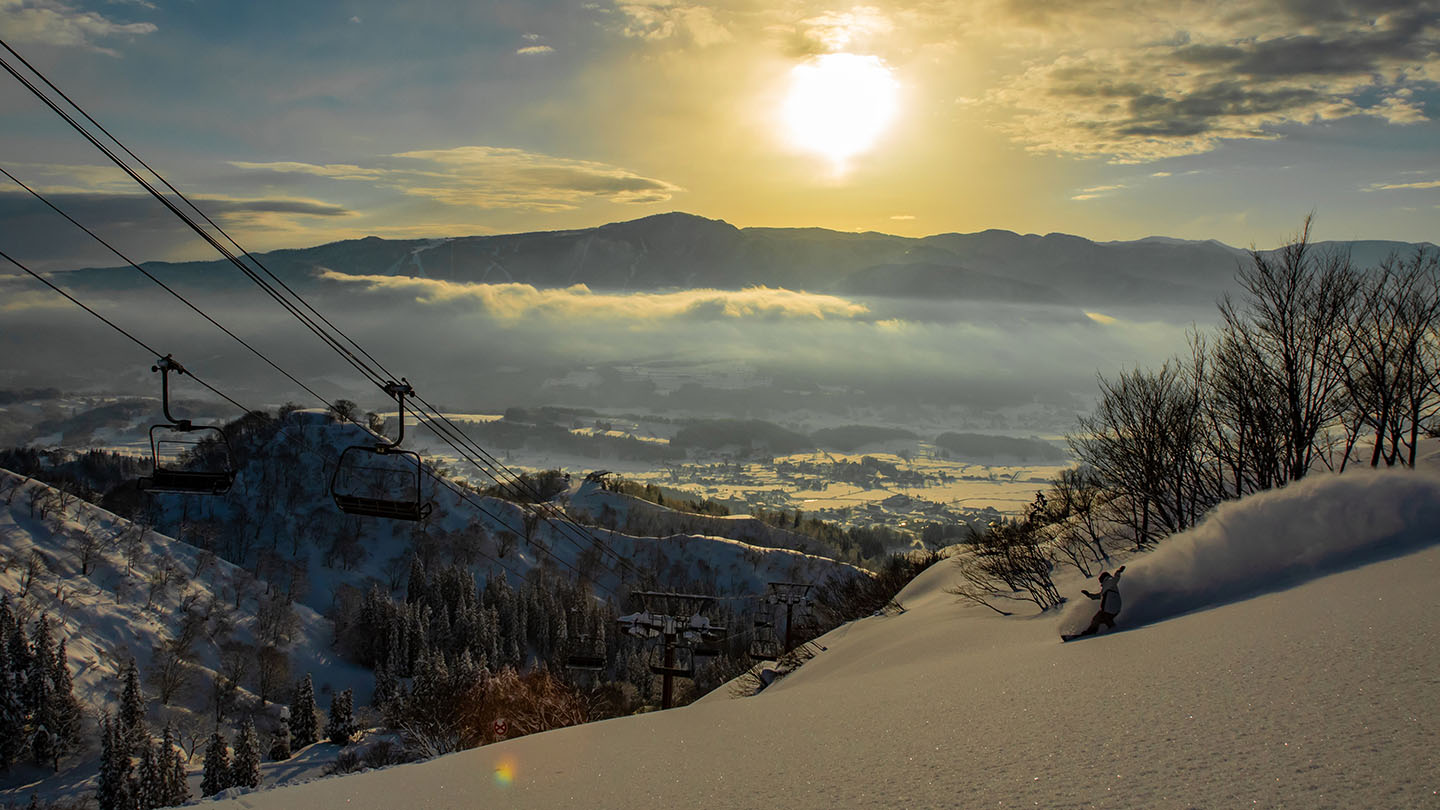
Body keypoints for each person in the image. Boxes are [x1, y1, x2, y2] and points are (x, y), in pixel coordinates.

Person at [1067, 565, 1126, 639]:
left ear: (1103, 578)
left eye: (1100, 581)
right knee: (1105, 619)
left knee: (1097, 618)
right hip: (1115, 609)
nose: (1100, 584)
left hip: (1110, 608)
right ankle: (1113, 628)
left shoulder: (1109, 581)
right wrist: (1089, 595)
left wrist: (1118, 571)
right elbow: (1099, 596)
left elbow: (1115, 579)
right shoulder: (1107, 586)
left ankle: (1091, 632)